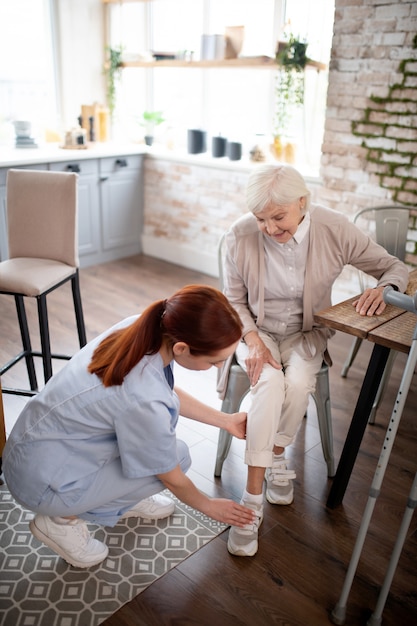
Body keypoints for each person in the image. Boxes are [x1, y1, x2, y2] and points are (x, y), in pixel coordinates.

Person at [220, 163, 409, 557]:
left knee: (300, 382)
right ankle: (252, 503)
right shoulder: (239, 235)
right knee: (269, 385)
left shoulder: (333, 228)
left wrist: (385, 287)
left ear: (302, 202)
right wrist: (253, 341)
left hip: (308, 333)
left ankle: (274, 456)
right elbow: (233, 300)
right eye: (261, 219)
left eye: (278, 217)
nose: (269, 228)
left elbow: (395, 266)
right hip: (257, 332)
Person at [3, 285, 256, 569]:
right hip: (42, 485)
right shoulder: (142, 395)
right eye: (214, 361)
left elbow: (161, 390)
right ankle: (61, 521)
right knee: (179, 458)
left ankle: (121, 498)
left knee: (168, 455)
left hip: (28, 451)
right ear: (181, 348)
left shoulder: (142, 327)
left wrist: (225, 420)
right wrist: (209, 505)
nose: (220, 368)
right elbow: (170, 473)